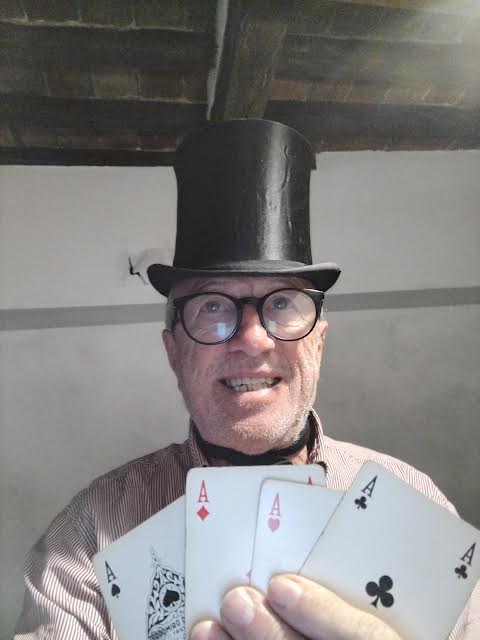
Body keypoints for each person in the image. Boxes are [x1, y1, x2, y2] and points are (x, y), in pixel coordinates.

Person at [15, 120, 479, 639]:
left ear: (318, 344)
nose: (253, 339)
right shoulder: (86, 540)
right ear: (174, 352)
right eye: (212, 307)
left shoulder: (416, 500)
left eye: (283, 304)